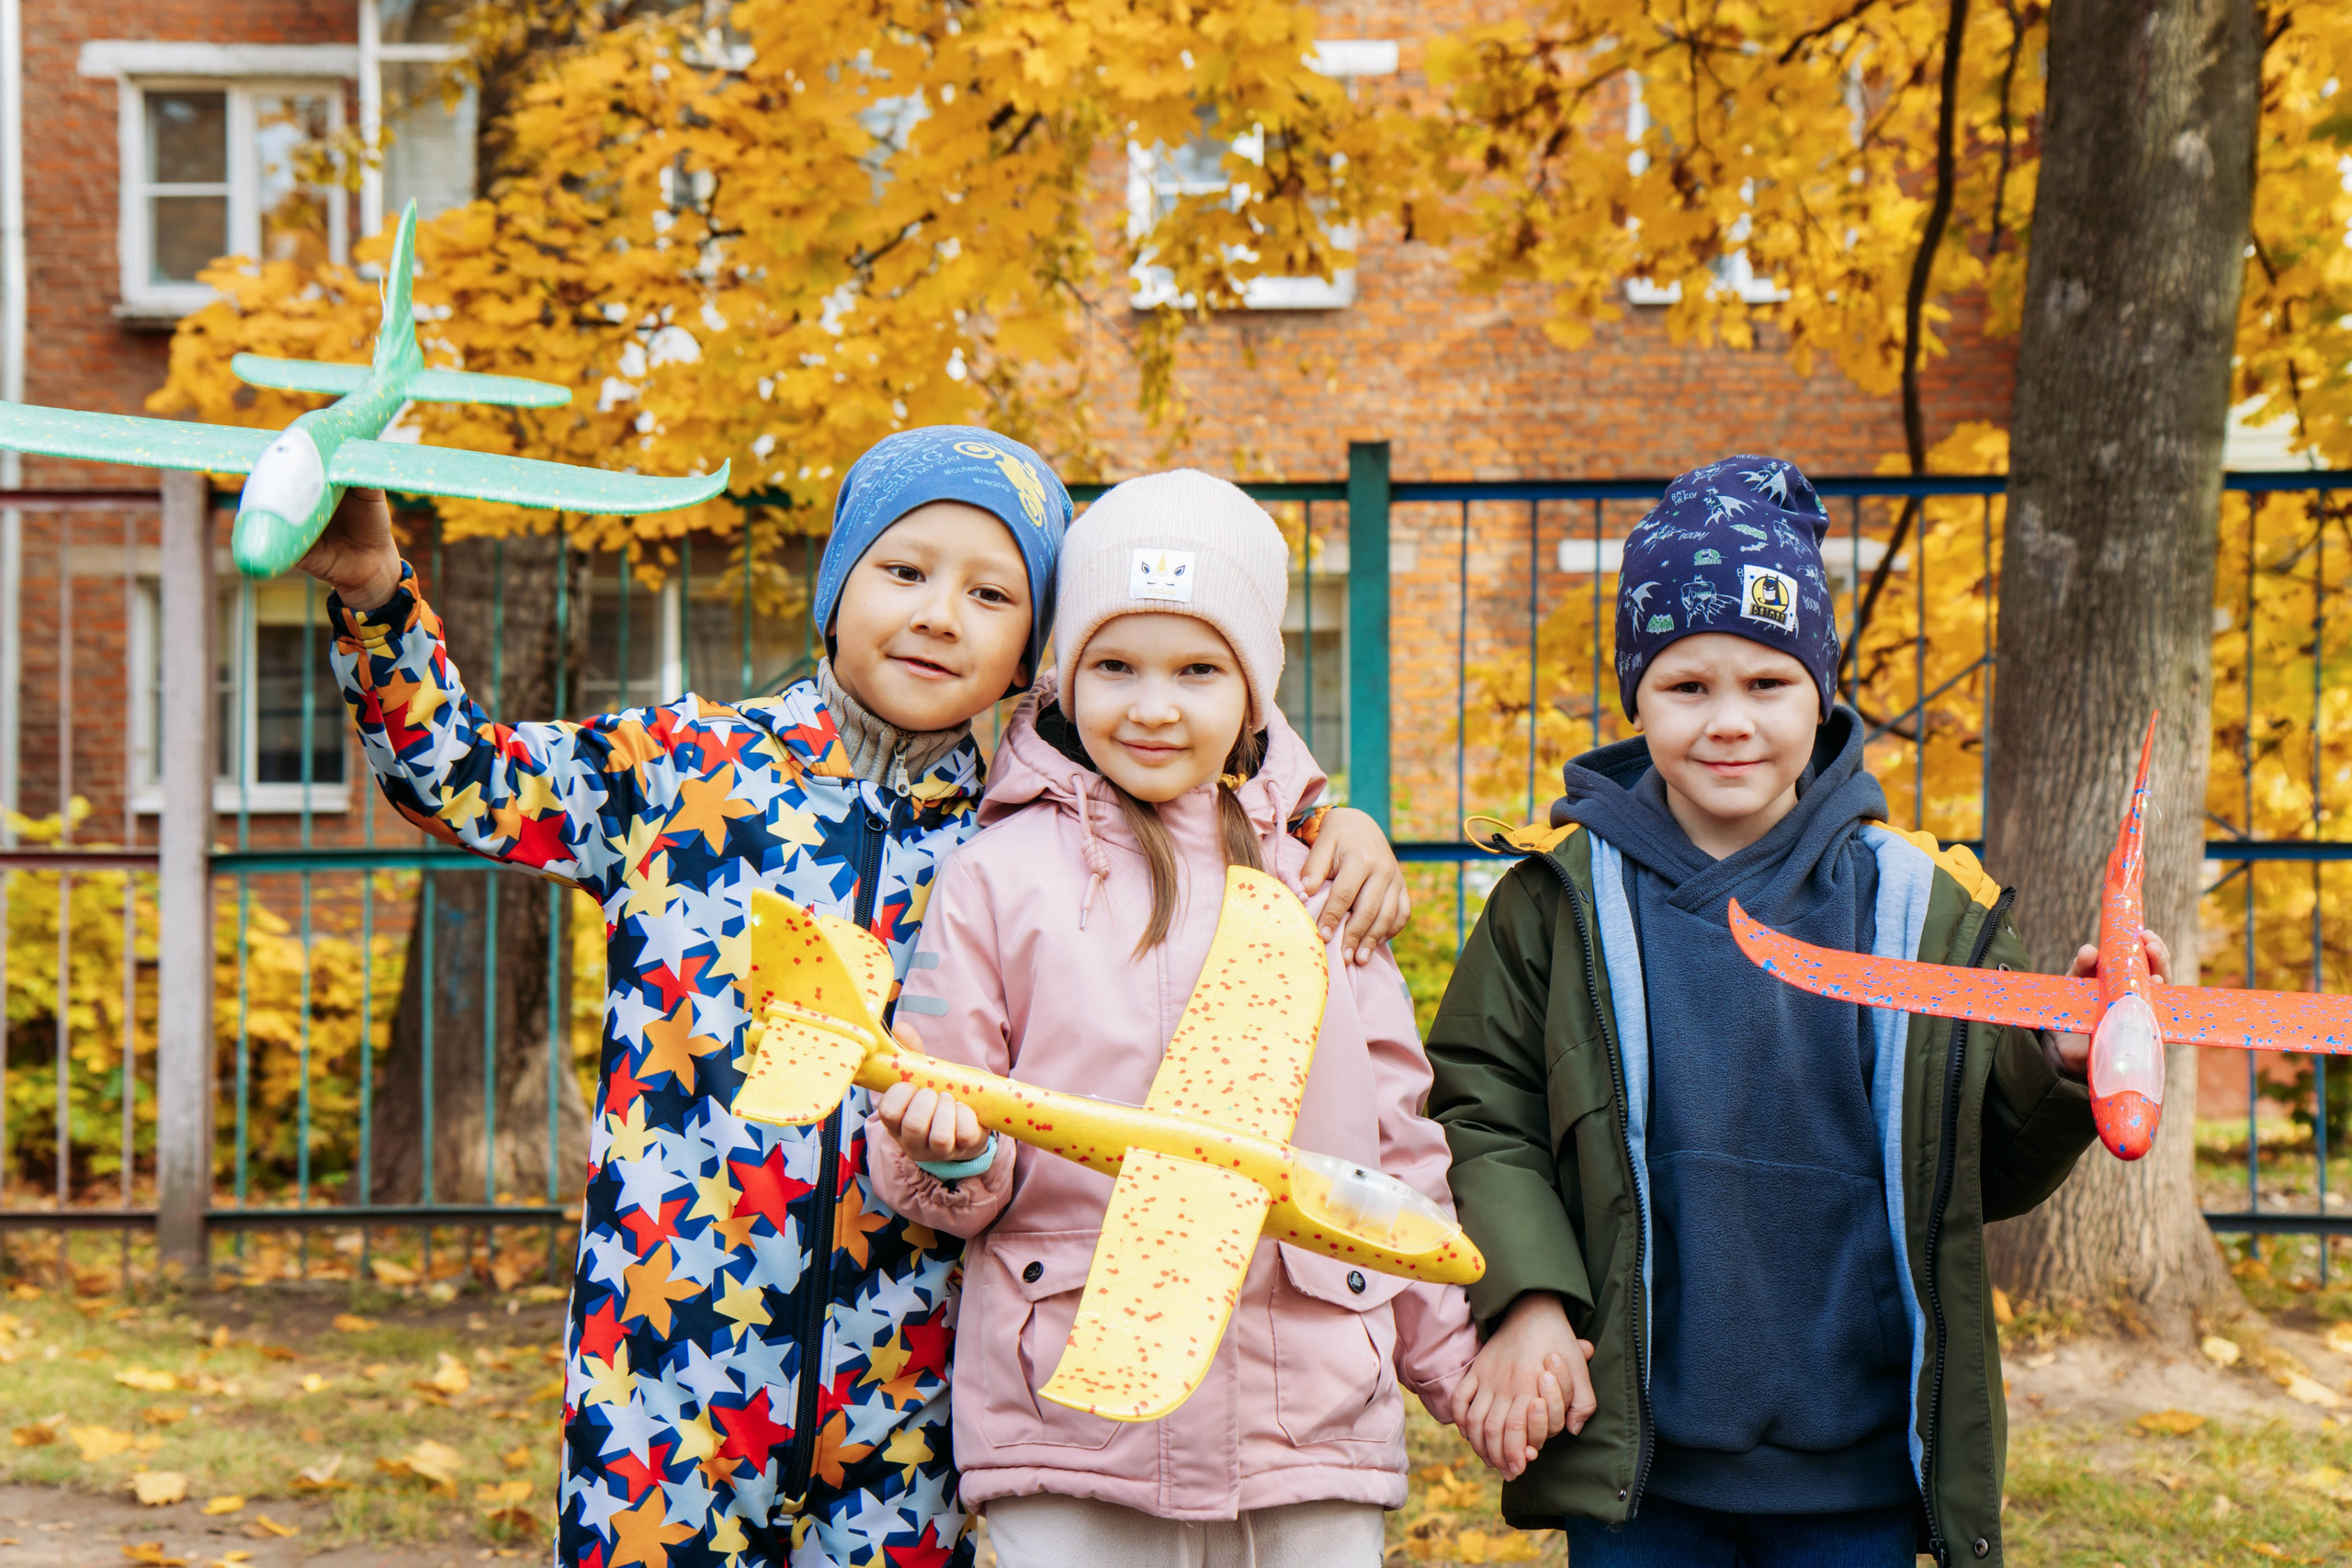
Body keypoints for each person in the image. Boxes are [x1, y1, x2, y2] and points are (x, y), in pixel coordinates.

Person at [303, 430, 1411, 1568]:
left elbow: (1203, 791)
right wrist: (379, 598)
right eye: (903, 571)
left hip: (906, 1385)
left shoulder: (1028, 834)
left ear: (1038, 650)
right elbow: (460, 779)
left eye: (991, 593)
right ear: (835, 589)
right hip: (667, 1357)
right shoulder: (683, 768)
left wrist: (1330, 821)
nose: (940, 614)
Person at [1427, 456, 2171, 1567]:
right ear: (1635, 696)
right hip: (1640, 1463)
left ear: (1822, 693)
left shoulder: (1926, 910)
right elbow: (1480, 1113)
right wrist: (1529, 1298)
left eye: (1767, 685)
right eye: (1687, 686)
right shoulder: (1556, 902)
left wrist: (2062, 1068)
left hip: (1857, 1467)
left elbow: (1983, 1176)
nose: (1728, 723)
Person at [863, 470, 1486, 1568]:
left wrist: (1455, 1365)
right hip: (1072, 1418)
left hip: (1308, 1414)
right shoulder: (993, 879)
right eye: (1115, 666)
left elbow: (1397, 1153)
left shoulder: (1324, 880)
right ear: (1063, 679)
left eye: (1197, 670)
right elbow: (936, 1128)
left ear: (1255, 695)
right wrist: (945, 1156)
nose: (1153, 706)